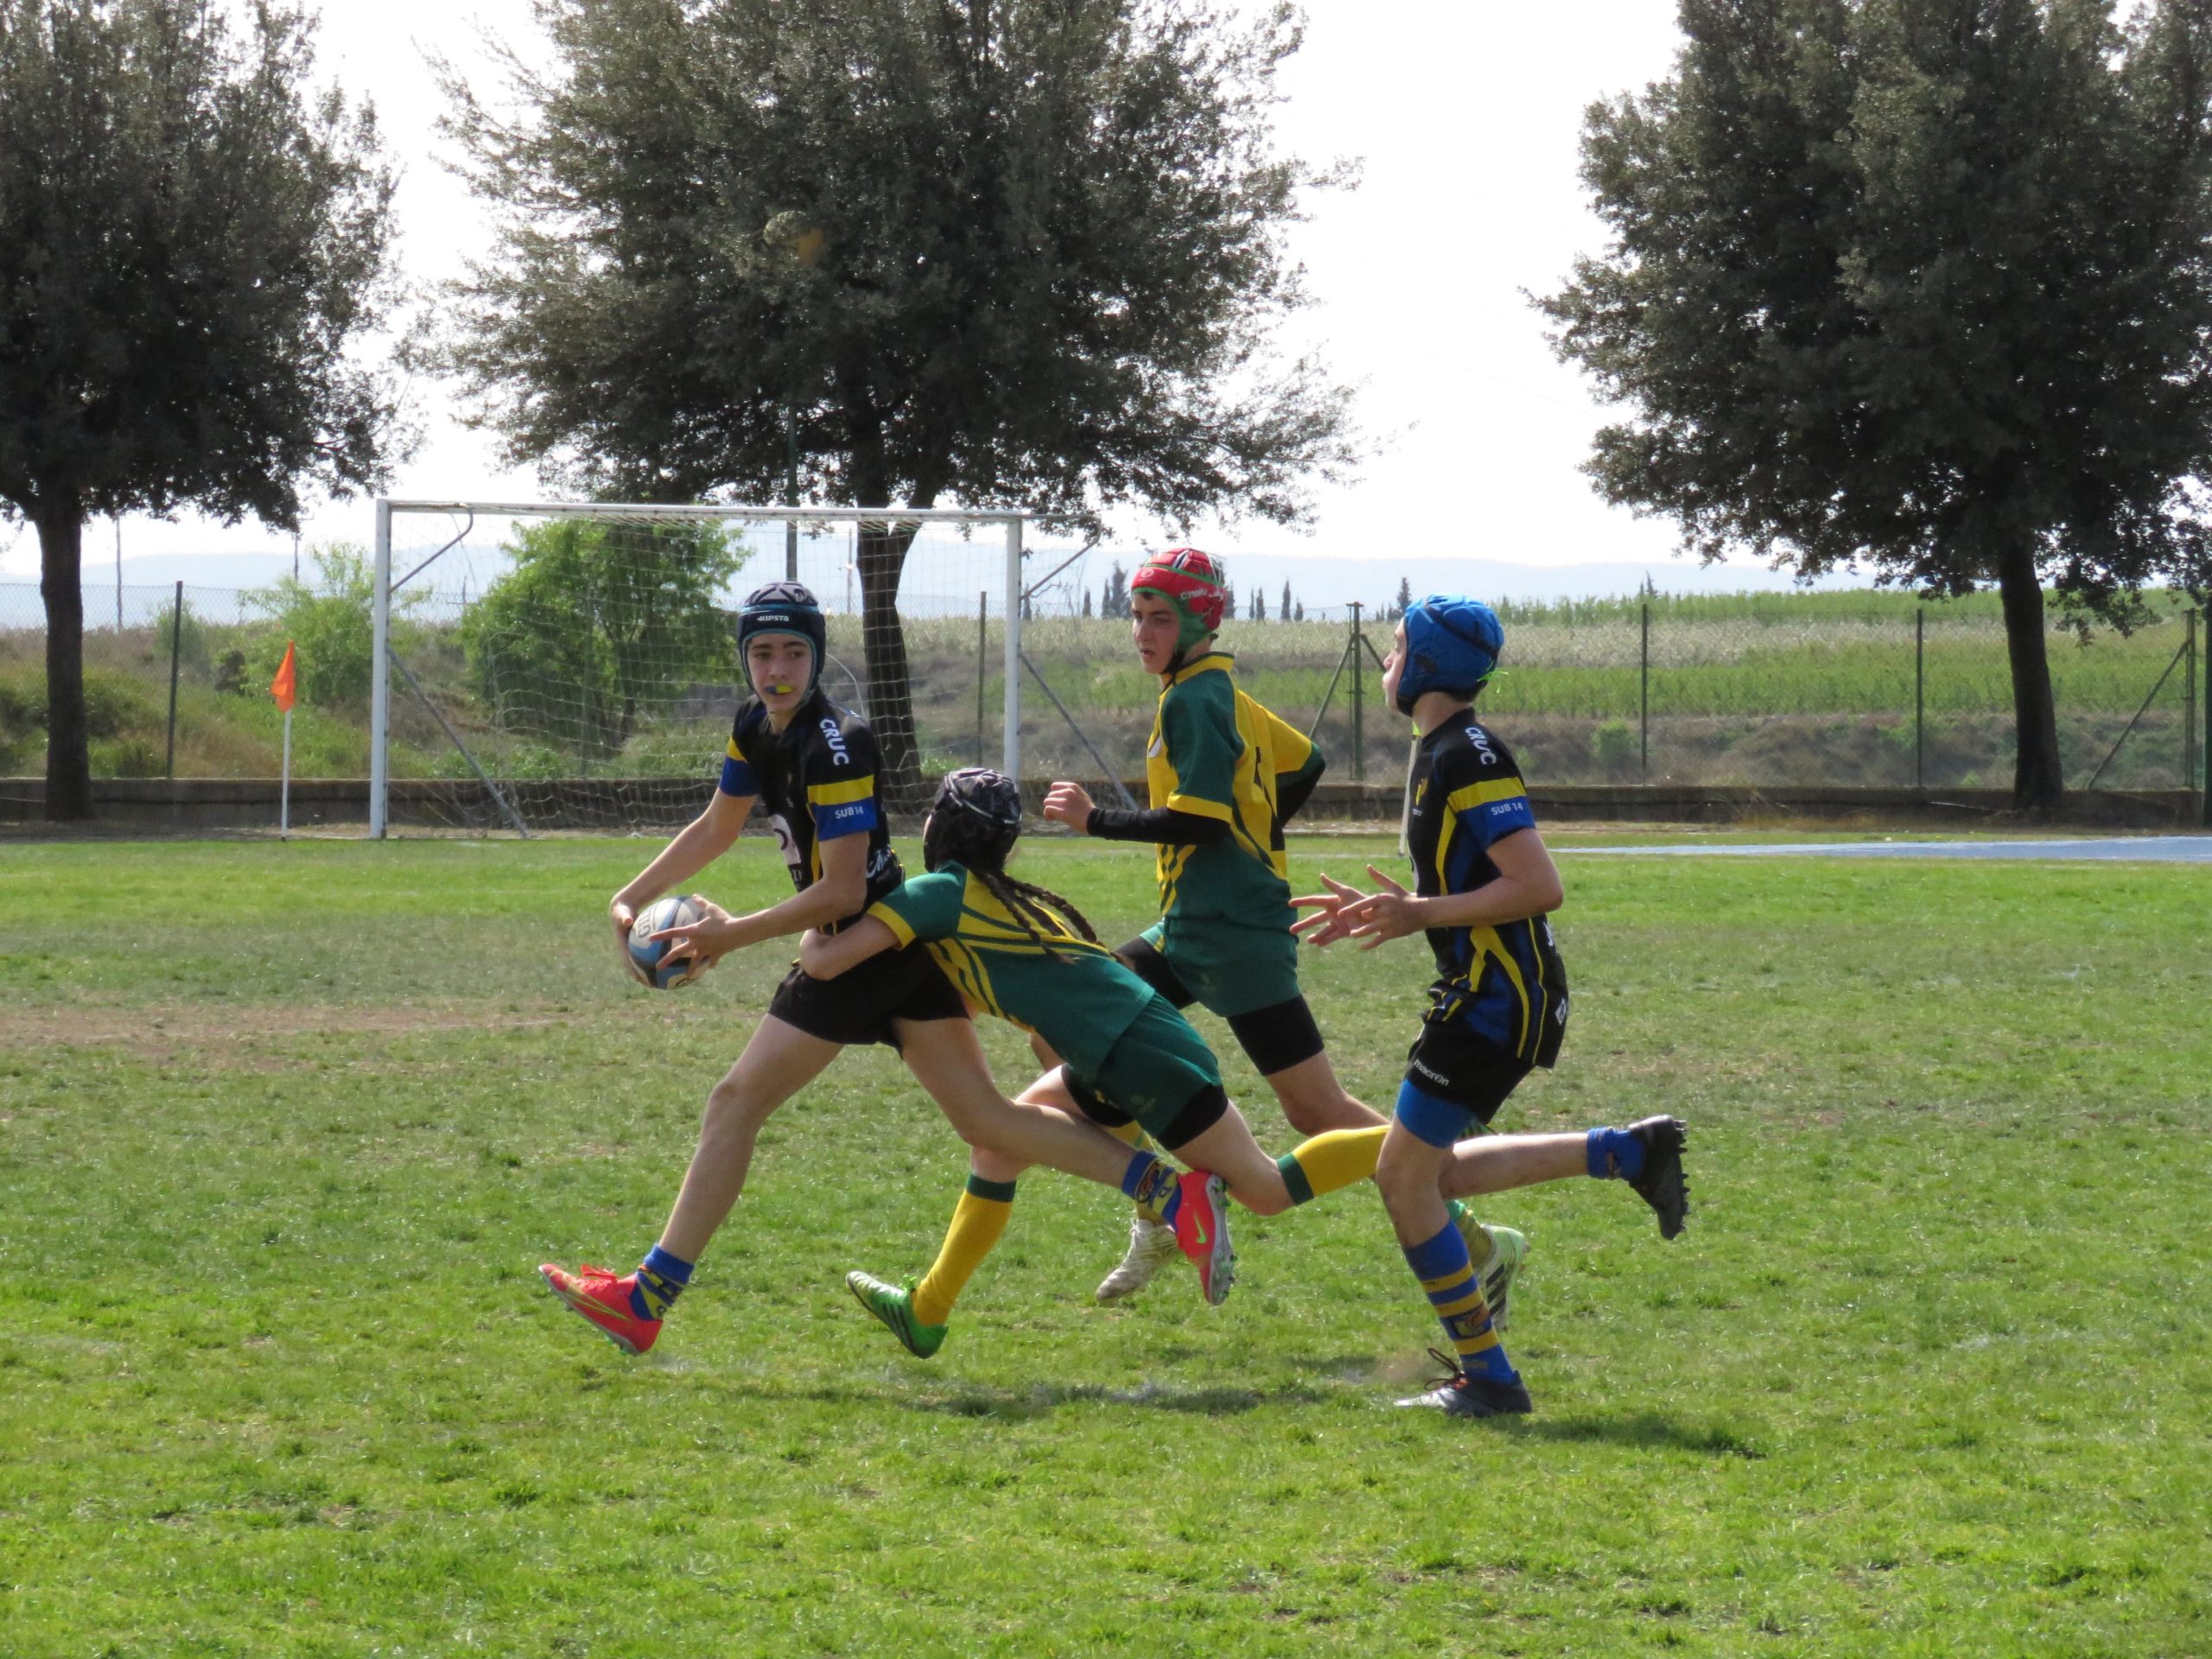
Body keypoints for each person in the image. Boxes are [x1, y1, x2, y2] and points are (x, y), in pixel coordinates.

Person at [537, 583, 1216, 1356]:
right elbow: (719, 824)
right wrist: (630, 895)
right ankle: (1170, 1191)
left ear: (819, 656)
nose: (778, 668)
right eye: (762, 653)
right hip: (897, 946)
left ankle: (647, 1298)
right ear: (745, 660)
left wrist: (733, 936)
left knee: (734, 1103)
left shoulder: (836, 743)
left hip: (861, 948)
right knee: (984, 1119)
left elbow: (844, 888)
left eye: (795, 652)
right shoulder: (756, 727)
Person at [1035, 548, 1528, 1316]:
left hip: (1230, 937)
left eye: (1161, 618)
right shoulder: (1216, 689)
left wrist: (1094, 819)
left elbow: (1198, 821)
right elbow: (1306, 763)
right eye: (1136, 616)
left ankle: (1469, 1232)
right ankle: (1162, 1208)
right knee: (1071, 1022)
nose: (1143, 632)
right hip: (1193, 926)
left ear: (1203, 620)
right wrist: (1256, 844)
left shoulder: (1194, 701)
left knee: (1316, 1110)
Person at [800, 767, 1402, 1357]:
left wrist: (817, 920)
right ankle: (926, 1313)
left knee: (1266, 1189)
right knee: (996, 1144)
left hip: (1136, 1050)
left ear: (943, 827)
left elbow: (826, 963)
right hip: (1123, 1048)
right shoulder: (984, 896)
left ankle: (1415, 1144)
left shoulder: (940, 894)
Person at [1290, 594, 1689, 1417]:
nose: (1386, 663)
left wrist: (1419, 913)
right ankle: (1626, 1153)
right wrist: (1397, 910)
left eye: (1397, 649)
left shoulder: (1466, 755)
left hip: (1498, 1001)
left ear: (1428, 664)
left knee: (1404, 1180)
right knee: (1421, 1171)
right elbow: (1471, 882)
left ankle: (1492, 1380)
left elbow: (1539, 887)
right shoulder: (1442, 749)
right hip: (1488, 993)